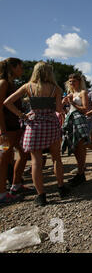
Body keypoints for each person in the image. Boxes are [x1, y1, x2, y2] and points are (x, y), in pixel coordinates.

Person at [4, 61, 70, 206]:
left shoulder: (28, 86)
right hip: (51, 124)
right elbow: (59, 109)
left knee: (36, 162)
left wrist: (21, 115)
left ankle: (41, 195)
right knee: (56, 158)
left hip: (34, 125)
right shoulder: (55, 88)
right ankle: (61, 187)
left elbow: (7, 102)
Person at [62, 73, 92, 187]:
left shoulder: (83, 92)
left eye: (74, 81)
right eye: (70, 81)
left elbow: (85, 109)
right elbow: (66, 108)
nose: (72, 83)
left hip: (80, 120)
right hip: (71, 120)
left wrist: (72, 103)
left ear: (79, 81)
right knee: (75, 147)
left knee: (81, 146)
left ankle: (81, 174)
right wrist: (65, 103)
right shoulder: (70, 94)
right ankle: (80, 173)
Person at [0, 58, 30, 204]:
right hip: (7, 129)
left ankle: (16, 185)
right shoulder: (3, 83)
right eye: (20, 66)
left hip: (15, 127)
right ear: (13, 67)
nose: (22, 69)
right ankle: (2, 193)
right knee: (3, 159)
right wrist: (2, 131)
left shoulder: (12, 84)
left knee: (24, 153)